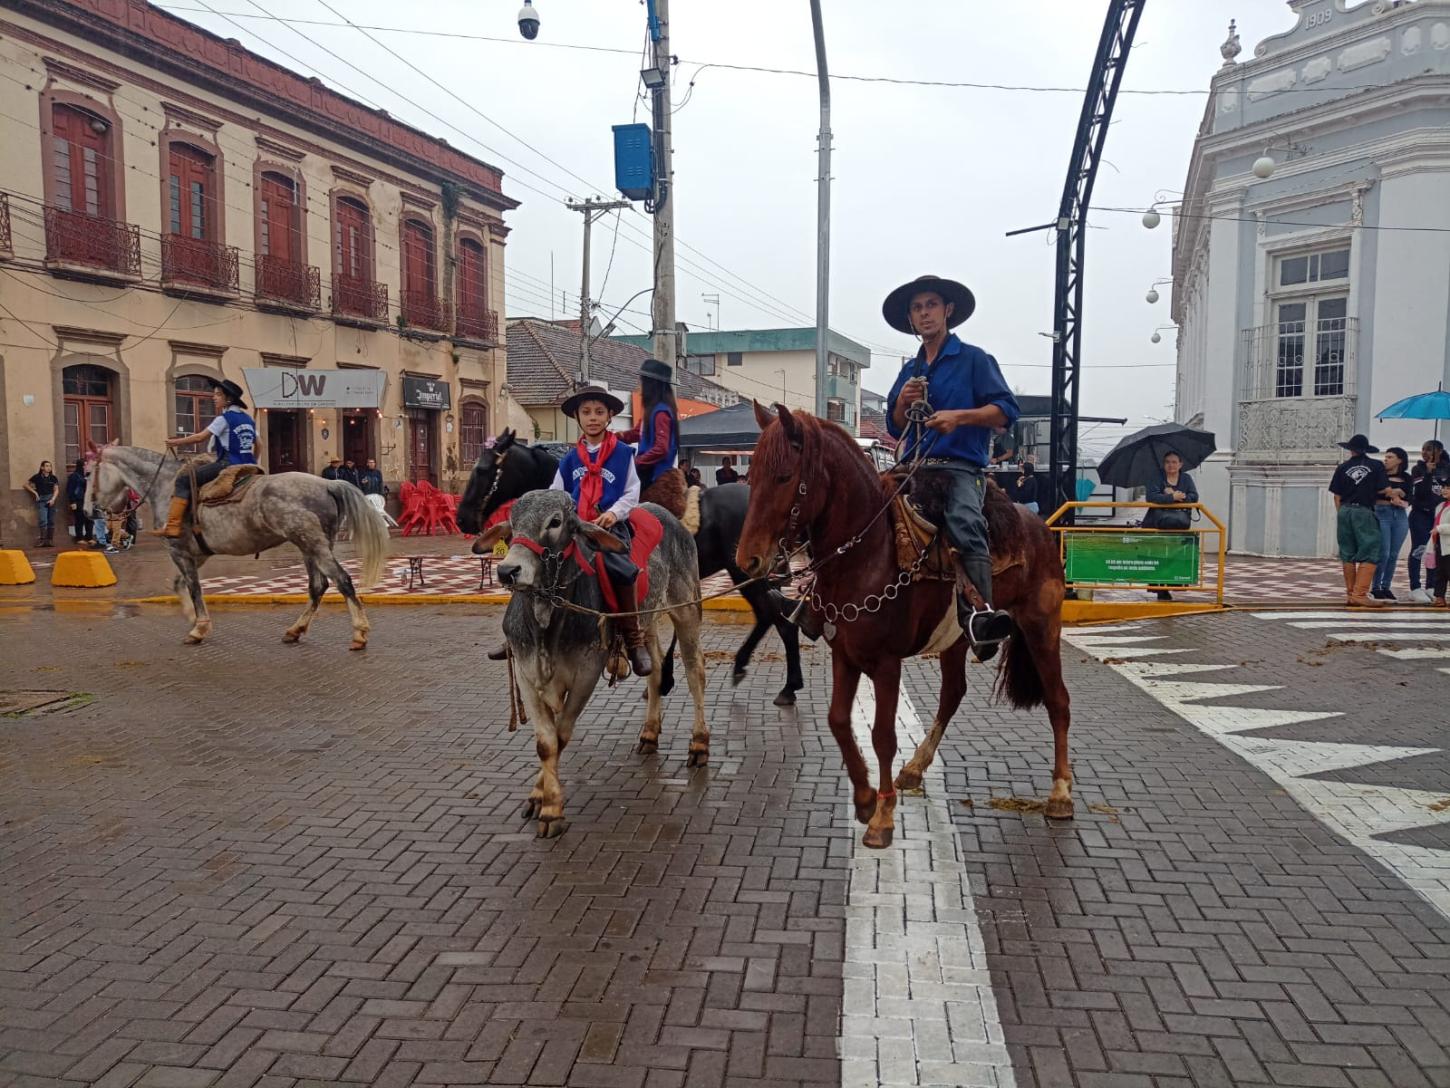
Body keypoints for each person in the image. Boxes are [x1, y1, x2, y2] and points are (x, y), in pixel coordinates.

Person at [883, 274, 1018, 653]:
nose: (924, 313)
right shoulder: (909, 370)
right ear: (911, 318)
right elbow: (895, 427)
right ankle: (818, 604)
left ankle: (980, 616)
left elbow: (1006, 412)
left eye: (930, 305)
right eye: (917, 308)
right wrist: (901, 403)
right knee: (860, 507)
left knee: (965, 522)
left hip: (960, 467)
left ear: (948, 311)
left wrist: (958, 417)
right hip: (913, 466)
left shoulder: (974, 359)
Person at [548, 385, 652, 676]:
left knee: (620, 567)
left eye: (599, 412)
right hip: (575, 527)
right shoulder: (569, 459)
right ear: (578, 418)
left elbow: (632, 492)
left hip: (610, 526)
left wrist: (613, 513)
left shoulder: (622, 453)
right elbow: (556, 493)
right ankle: (524, 631)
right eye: (586, 412)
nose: (592, 417)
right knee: (540, 563)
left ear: (609, 417)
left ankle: (633, 640)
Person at [151, 378, 258, 538]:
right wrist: (252, 461)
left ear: (228, 398)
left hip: (227, 464)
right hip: (248, 464)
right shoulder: (248, 419)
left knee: (183, 480)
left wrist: (175, 442)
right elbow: (259, 444)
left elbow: (200, 438)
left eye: (217, 395)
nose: (213, 397)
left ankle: (172, 526)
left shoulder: (224, 418)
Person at [1328, 433, 1389, 608]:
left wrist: (1343, 514)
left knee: (1347, 552)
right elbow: (1384, 488)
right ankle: (1360, 594)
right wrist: (1396, 493)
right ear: (1366, 449)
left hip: (1345, 510)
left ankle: (1350, 594)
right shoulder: (1376, 465)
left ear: (1351, 449)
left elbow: (1336, 496)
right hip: (1364, 511)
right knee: (1370, 549)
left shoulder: (1342, 467)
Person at [1142, 451, 1199, 601]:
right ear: (1163, 463)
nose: (1171, 465)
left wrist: (1181, 496)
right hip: (1156, 524)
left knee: (1175, 555)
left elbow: (1194, 496)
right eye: (1167, 461)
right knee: (1158, 555)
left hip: (1178, 525)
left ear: (1180, 464)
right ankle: (1160, 588)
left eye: (1174, 462)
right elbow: (1151, 496)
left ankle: (1173, 583)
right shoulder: (1156, 477)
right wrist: (1171, 497)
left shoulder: (1186, 478)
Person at [617, 358, 679, 493]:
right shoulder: (651, 410)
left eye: (642, 380)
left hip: (654, 472)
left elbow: (661, 448)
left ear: (651, 384)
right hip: (647, 468)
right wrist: (613, 436)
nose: (639, 384)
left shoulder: (661, 412)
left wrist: (637, 462)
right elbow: (636, 433)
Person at [1408, 439, 1450, 603]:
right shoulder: (1418, 468)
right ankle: (1415, 587)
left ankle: (1431, 586)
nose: (1424, 453)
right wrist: (1428, 473)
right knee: (1419, 549)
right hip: (1421, 515)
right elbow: (1421, 493)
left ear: (1439, 451)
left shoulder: (1447, 468)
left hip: (1439, 515)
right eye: (1423, 449)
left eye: (1429, 449)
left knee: (1436, 552)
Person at [1372, 446, 1412, 600]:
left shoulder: (1406, 478)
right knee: (1384, 552)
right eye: (1386, 457)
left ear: (1400, 460)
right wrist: (1392, 494)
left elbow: (1410, 496)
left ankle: (1386, 586)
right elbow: (1373, 492)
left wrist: (1400, 495)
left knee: (1394, 554)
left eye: (1390, 457)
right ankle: (1375, 586)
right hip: (1382, 513)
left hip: (1400, 515)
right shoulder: (1379, 475)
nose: (1386, 459)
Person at [24, 460, 59, 547]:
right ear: (42, 467)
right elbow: (26, 485)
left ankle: (50, 541)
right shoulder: (37, 477)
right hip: (42, 500)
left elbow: (56, 489)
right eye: (46, 466)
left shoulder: (53, 478)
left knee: (51, 520)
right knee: (43, 520)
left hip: (51, 500)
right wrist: (35, 493)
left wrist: (53, 499)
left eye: (50, 466)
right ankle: (43, 541)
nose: (49, 468)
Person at [65, 459, 92, 546]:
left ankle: (89, 537)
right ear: (81, 466)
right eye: (85, 465)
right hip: (78, 500)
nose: (86, 467)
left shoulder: (88, 476)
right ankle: (79, 537)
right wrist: (72, 502)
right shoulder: (74, 476)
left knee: (89, 519)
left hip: (88, 500)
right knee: (79, 519)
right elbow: (70, 490)